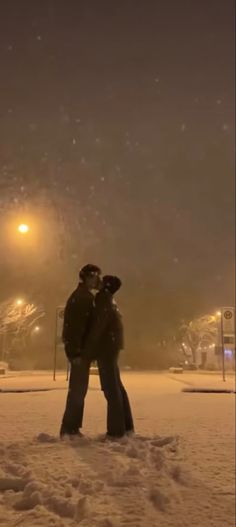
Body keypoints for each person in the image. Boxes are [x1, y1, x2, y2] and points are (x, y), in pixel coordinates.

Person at [84, 275, 134, 438]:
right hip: (111, 346)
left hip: (106, 348)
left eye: (102, 280)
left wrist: (90, 349)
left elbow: (99, 325)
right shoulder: (110, 299)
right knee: (117, 387)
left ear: (106, 285)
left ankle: (116, 431)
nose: (98, 281)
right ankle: (126, 427)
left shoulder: (103, 298)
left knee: (110, 388)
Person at [60, 264, 101, 438]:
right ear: (88, 277)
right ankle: (70, 429)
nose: (98, 279)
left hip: (80, 351)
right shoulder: (82, 298)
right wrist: (75, 353)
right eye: (96, 276)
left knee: (78, 390)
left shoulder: (82, 296)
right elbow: (74, 328)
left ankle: (71, 427)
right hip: (79, 352)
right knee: (77, 390)